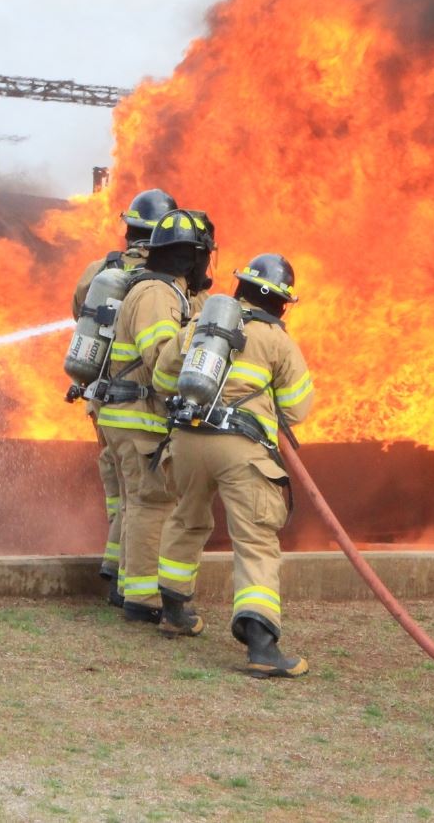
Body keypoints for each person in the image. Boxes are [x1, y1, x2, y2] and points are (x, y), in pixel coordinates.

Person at [153, 253, 314, 677]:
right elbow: (297, 409)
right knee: (255, 540)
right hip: (240, 447)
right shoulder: (275, 339)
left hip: (187, 441)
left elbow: (163, 379)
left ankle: (173, 611)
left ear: (240, 286)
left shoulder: (200, 325)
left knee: (186, 519)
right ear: (281, 302)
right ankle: (262, 646)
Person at [96, 208, 215, 624]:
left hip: (127, 414)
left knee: (138, 504)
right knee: (152, 504)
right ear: (191, 256)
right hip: (139, 416)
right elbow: (161, 359)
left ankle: (130, 587)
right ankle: (144, 598)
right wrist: (199, 330)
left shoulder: (157, 289)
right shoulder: (157, 295)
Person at [70, 188, 177, 606]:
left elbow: (79, 313)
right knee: (142, 495)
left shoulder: (100, 271)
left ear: (129, 229)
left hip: (101, 400)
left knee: (118, 487)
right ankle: (126, 580)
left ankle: (114, 565)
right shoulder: (162, 285)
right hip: (141, 403)